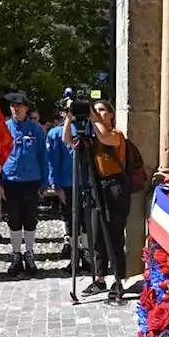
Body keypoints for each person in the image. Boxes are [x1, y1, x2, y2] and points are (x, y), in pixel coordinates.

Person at [64, 99, 130, 302]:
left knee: (114, 234)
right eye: (95, 110)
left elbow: (104, 135)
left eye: (102, 110)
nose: (98, 113)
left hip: (115, 187)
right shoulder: (90, 138)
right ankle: (100, 279)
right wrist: (68, 118)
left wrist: (92, 116)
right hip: (96, 187)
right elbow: (68, 140)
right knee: (96, 234)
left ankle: (118, 281)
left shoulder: (115, 135)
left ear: (111, 115)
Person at [0, 91, 47, 277]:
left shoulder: (35, 130)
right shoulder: (4, 128)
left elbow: (43, 156)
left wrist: (45, 181)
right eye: (12, 106)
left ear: (26, 108)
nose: (15, 109)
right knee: (13, 220)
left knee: (30, 219)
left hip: (31, 181)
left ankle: (29, 254)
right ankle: (16, 255)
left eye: (18, 106)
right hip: (10, 180)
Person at [46, 114, 77, 264]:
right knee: (69, 218)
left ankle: (85, 253)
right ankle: (73, 251)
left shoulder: (91, 129)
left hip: (86, 183)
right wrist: (55, 184)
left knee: (86, 222)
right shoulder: (55, 133)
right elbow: (52, 160)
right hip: (67, 183)